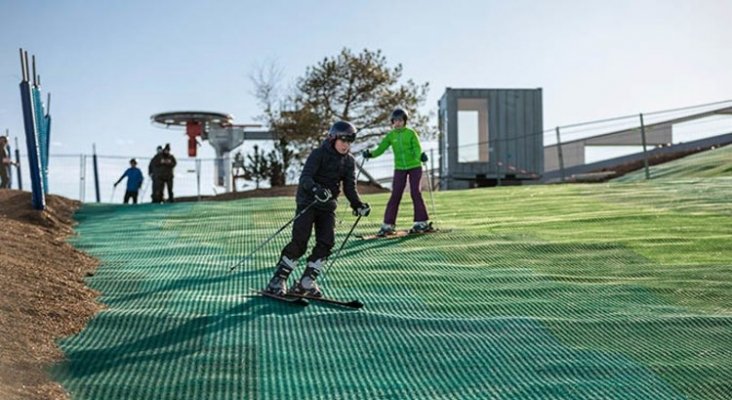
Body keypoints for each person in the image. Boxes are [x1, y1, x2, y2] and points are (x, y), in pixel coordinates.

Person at [265, 121, 371, 298]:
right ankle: (278, 280)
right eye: (343, 140)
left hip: (328, 207)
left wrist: (358, 205)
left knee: (326, 242)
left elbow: (350, 187)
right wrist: (316, 189)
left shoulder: (349, 161)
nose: (346, 145)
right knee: (300, 242)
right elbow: (305, 178)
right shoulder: (319, 154)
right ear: (333, 138)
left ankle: (306, 282)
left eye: (349, 141)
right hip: (308, 203)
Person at [363, 107, 431, 236]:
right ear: (392, 122)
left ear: (405, 121)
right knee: (395, 194)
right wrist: (370, 154)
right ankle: (388, 224)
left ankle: (421, 221)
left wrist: (420, 156)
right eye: (395, 121)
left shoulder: (411, 133)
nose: (398, 123)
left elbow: (417, 148)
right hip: (399, 168)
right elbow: (380, 149)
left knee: (415, 192)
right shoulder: (391, 136)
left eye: (400, 120)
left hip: (415, 166)